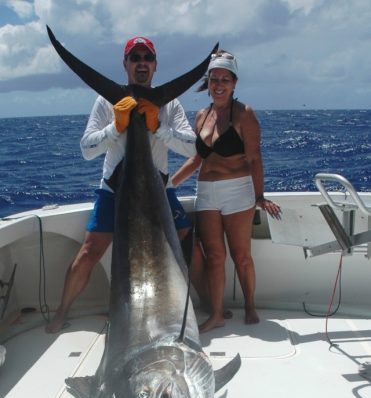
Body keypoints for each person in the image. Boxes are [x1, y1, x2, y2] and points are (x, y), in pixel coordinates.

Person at [46, 36, 199, 333]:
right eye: (135, 57)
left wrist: (158, 126)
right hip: (115, 189)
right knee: (90, 251)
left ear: (154, 65)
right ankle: (61, 312)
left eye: (146, 57)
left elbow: (194, 149)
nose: (141, 63)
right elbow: (87, 150)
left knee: (190, 247)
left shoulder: (169, 104)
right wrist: (116, 126)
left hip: (158, 191)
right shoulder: (107, 101)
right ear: (126, 64)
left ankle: (205, 310)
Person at [171, 50, 281, 333]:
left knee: (241, 255)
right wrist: (168, 184)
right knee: (215, 256)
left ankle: (250, 305)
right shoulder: (201, 116)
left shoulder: (245, 114)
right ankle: (217, 313)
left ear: (234, 83)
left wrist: (259, 196)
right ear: (207, 84)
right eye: (214, 79)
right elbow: (196, 159)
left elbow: (255, 159)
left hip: (238, 190)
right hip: (206, 191)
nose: (219, 84)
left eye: (225, 79)